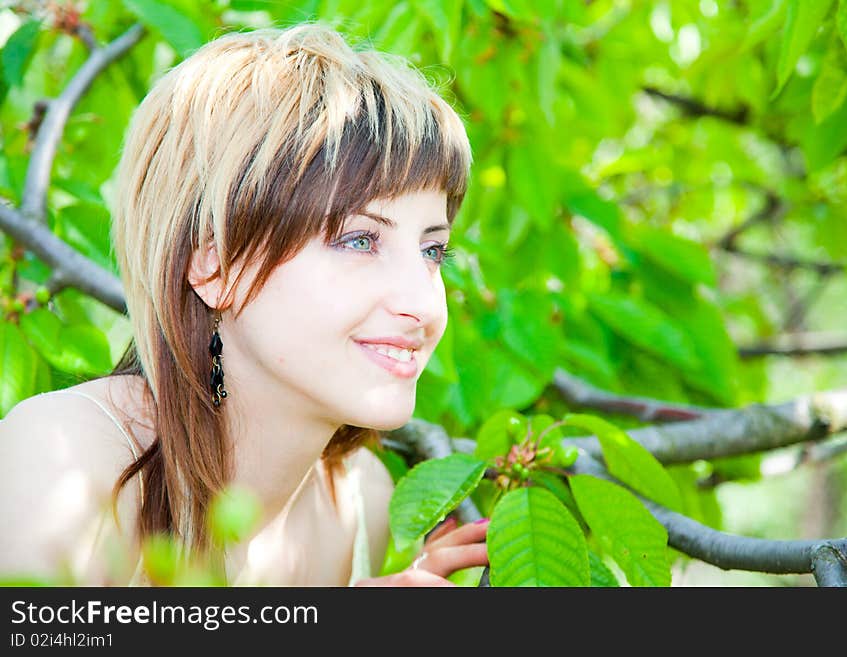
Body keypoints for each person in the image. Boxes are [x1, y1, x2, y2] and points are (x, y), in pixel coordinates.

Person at [0, 22, 489, 586]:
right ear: (214, 264)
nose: (422, 305)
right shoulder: (65, 460)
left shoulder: (362, 503)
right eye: (360, 240)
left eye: (432, 251)